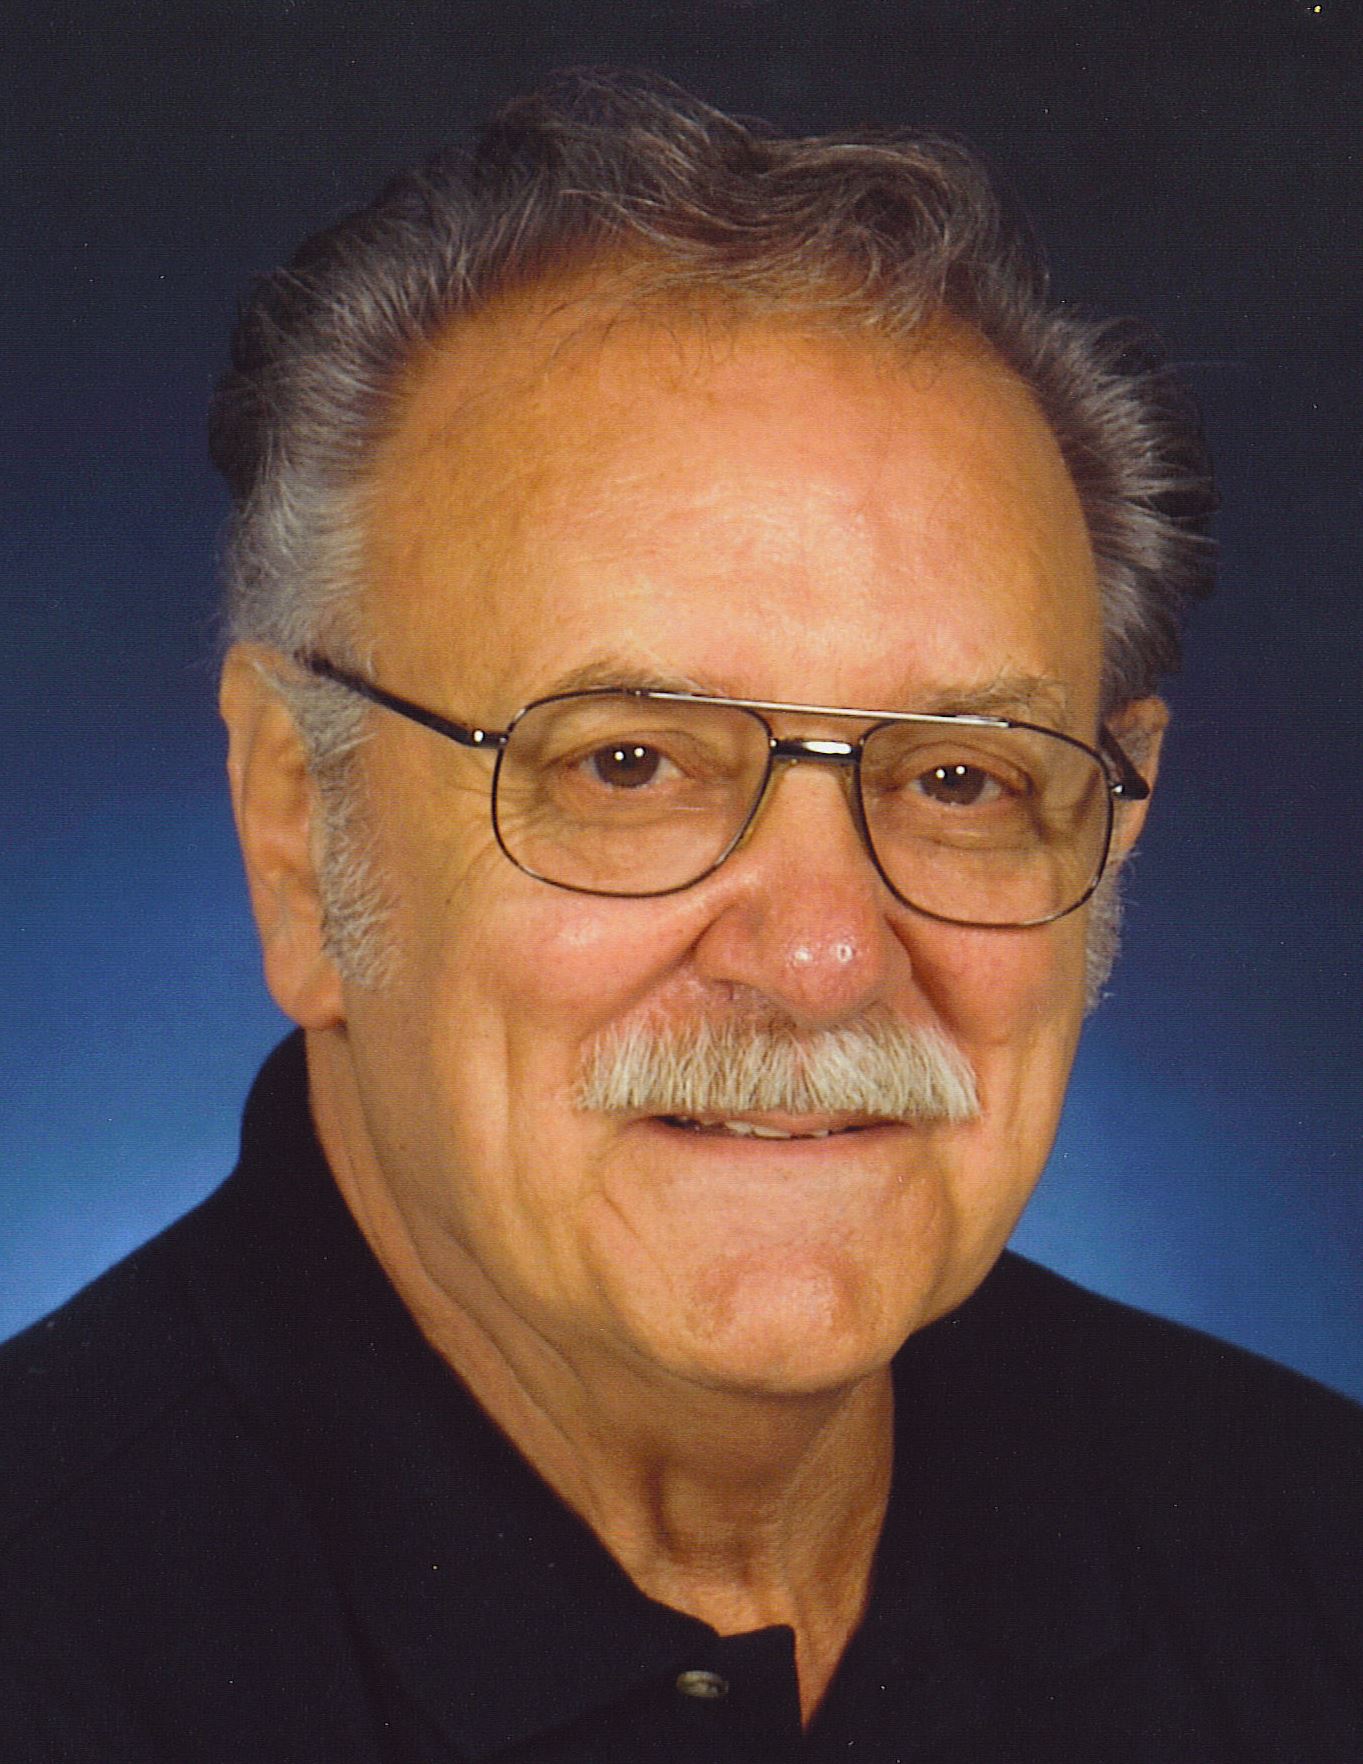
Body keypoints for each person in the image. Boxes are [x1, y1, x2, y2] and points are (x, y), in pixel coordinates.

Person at [2, 70, 1359, 1763]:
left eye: (960, 779)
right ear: (299, 825)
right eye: (628, 763)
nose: (823, 958)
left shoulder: (1315, 1561)